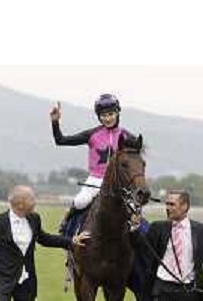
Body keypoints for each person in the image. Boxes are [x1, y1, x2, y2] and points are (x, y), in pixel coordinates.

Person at [50, 94, 140, 235]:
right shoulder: (92, 134)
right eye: (103, 115)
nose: (107, 118)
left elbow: (136, 162)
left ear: (117, 113)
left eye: (110, 114)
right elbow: (60, 140)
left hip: (119, 182)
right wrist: (55, 122)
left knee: (134, 208)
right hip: (96, 178)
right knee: (81, 201)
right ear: (98, 116)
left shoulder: (128, 136)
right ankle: (67, 223)